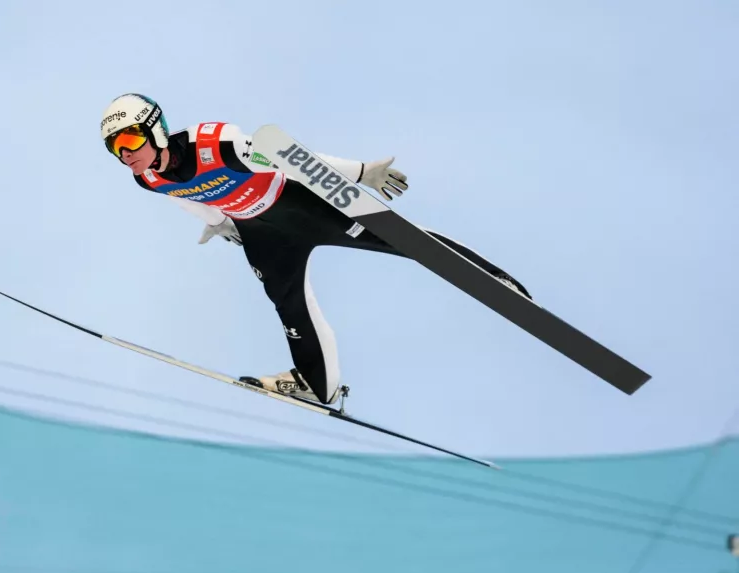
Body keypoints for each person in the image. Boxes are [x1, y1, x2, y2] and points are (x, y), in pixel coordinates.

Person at [100, 93, 531, 405]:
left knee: (401, 238)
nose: (127, 154)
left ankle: (492, 281)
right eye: (116, 148)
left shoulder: (218, 144)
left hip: (299, 205)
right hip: (260, 231)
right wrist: (219, 223)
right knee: (288, 305)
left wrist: (361, 172)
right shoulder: (148, 179)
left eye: (131, 140)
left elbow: (293, 158)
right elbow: (189, 198)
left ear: (154, 128)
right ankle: (316, 382)